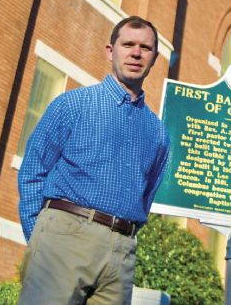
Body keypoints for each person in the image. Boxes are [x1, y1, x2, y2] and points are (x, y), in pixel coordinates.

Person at [18, 16, 170, 305]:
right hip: (63, 238)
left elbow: (146, 195)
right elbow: (32, 172)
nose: (136, 53)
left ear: (154, 58)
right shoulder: (72, 104)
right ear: (110, 51)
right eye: (128, 44)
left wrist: (123, 239)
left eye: (145, 48)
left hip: (121, 251)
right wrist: (41, 236)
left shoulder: (158, 133)